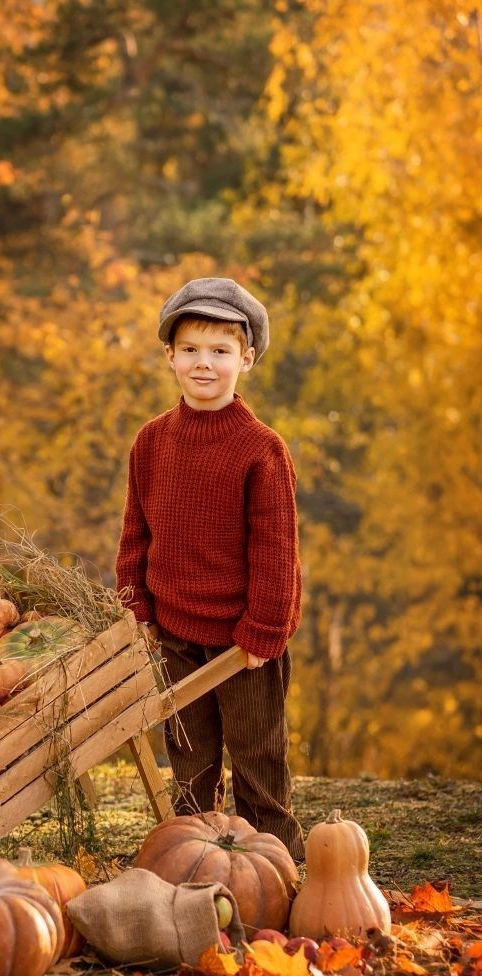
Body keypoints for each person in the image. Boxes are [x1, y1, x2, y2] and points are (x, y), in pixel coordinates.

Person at [115, 276, 305, 861]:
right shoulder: (151, 442)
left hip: (242, 644)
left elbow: (276, 551)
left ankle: (278, 866)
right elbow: (136, 532)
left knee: (257, 760)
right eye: (191, 349)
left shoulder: (260, 449)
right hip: (175, 634)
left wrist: (262, 633)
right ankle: (192, 862)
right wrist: (137, 608)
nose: (205, 363)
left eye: (220, 351)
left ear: (246, 359)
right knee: (190, 761)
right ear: (169, 355)